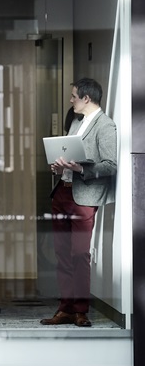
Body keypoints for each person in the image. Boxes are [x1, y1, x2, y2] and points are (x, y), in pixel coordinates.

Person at [41, 78, 117, 327]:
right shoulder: (75, 122)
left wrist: (79, 168)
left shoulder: (106, 126)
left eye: (74, 96)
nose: (71, 100)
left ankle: (81, 311)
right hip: (62, 192)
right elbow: (69, 154)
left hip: (83, 196)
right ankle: (65, 309)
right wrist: (59, 165)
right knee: (62, 254)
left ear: (86, 98)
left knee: (79, 254)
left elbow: (110, 165)